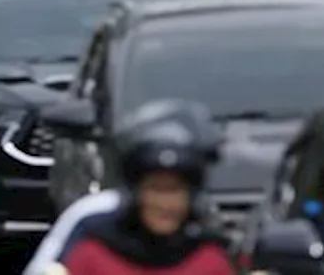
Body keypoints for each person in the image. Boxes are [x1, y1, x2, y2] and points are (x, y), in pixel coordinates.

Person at [23, 100, 231, 275]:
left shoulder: (210, 261)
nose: (165, 203)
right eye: (156, 189)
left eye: (175, 190)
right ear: (135, 191)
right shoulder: (92, 250)